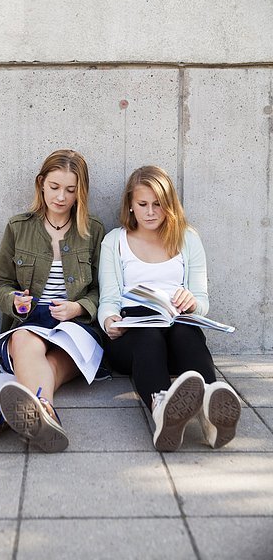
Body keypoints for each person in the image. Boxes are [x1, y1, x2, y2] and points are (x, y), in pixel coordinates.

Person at [0, 149, 105, 452]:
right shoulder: (18, 227)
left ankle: (2, 415)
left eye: (70, 189)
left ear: (81, 192)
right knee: (26, 340)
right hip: (29, 320)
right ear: (41, 184)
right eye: (54, 187)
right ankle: (45, 414)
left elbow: (104, 291)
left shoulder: (93, 231)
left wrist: (78, 307)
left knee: (61, 359)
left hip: (75, 325)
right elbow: (1, 283)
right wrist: (14, 301)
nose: (61, 197)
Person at [98, 165, 241, 452]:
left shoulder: (187, 238)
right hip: (132, 340)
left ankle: (212, 409)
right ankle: (162, 409)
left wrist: (192, 303)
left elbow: (201, 300)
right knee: (148, 335)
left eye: (158, 205)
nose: (151, 212)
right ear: (130, 205)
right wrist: (109, 321)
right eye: (143, 204)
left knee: (186, 332)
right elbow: (109, 299)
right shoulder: (115, 241)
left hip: (176, 330)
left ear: (170, 205)